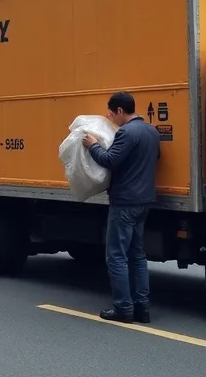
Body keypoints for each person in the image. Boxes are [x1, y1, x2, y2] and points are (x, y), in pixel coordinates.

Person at [82, 91, 161, 324]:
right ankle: (142, 308)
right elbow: (154, 158)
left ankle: (123, 308)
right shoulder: (151, 131)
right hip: (144, 201)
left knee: (116, 256)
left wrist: (93, 145)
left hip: (125, 201)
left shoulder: (126, 132)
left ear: (119, 111)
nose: (109, 117)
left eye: (110, 112)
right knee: (137, 255)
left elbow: (109, 160)